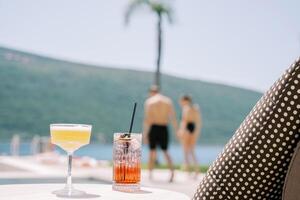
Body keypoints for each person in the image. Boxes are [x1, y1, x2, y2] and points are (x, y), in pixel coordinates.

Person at [143, 86, 178, 182]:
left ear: (151, 92)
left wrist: (145, 133)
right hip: (164, 127)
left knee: (152, 151)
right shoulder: (167, 101)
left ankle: (150, 173)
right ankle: (172, 172)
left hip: (154, 127)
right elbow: (173, 117)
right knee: (165, 151)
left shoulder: (149, 102)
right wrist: (176, 131)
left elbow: (147, 119)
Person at [178, 95, 201, 178]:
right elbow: (198, 121)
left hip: (187, 128)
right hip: (193, 128)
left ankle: (188, 171)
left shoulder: (186, 108)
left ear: (185, 100)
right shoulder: (195, 108)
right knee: (192, 150)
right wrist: (197, 131)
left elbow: (184, 121)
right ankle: (196, 169)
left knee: (185, 150)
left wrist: (181, 131)